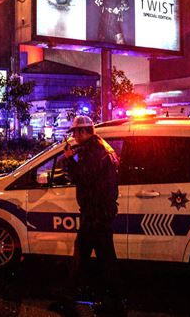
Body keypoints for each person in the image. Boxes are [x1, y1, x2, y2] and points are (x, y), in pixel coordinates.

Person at [61, 115, 122, 307]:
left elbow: (82, 177)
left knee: (86, 253)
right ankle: (107, 293)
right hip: (101, 210)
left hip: (95, 212)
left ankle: (76, 293)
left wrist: (70, 160)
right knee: (101, 255)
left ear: (83, 131)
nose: (74, 136)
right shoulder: (103, 147)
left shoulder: (94, 151)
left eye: (76, 132)